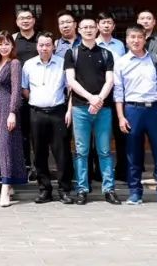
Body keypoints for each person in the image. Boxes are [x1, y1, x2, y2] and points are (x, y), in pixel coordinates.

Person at [114, 24, 157, 206]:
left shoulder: (155, 59)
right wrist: (121, 116)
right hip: (132, 110)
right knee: (133, 153)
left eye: (139, 37)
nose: (136, 41)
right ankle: (135, 192)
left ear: (145, 39)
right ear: (127, 40)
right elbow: (118, 92)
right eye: (132, 37)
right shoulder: (121, 62)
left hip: (155, 109)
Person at [64, 18, 119, 205]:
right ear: (78, 30)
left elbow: (110, 80)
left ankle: (109, 189)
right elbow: (71, 81)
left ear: (97, 30)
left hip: (103, 109)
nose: (88, 30)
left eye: (91, 27)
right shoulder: (72, 53)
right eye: (84, 27)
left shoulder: (106, 53)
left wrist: (99, 99)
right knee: (81, 151)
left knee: (105, 150)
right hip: (80, 108)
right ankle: (82, 189)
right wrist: (90, 98)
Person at [21, 32, 74, 204]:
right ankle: (45, 190)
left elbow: (70, 89)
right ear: (37, 46)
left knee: (62, 153)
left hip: (58, 112)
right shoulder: (28, 65)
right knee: (39, 153)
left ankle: (64, 190)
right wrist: (37, 100)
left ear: (54, 47)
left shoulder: (62, 63)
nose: (44, 48)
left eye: (48, 45)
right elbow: (25, 89)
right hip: (36, 113)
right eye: (41, 45)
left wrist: (69, 110)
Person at [0, 31, 27, 207]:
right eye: (0, 44)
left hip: (7, 108)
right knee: (0, 148)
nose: (3, 47)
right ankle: (9, 184)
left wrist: (13, 112)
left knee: (6, 146)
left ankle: (5, 190)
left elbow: (16, 90)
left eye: (7, 44)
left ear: (12, 45)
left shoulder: (15, 63)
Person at [96, 11, 127, 180]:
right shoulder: (93, 44)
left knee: (120, 132)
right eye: (103, 23)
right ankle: (99, 172)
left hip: (118, 93)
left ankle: (122, 169)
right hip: (99, 94)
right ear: (98, 26)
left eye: (109, 22)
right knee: (100, 134)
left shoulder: (120, 45)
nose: (106, 25)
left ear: (113, 26)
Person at [12, 9, 40, 181]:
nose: (25, 21)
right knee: (21, 132)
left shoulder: (41, 39)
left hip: (40, 93)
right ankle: (24, 165)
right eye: (21, 18)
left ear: (34, 20)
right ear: (17, 22)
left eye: (28, 18)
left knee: (37, 133)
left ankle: (38, 167)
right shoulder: (13, 39)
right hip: (19, 92)